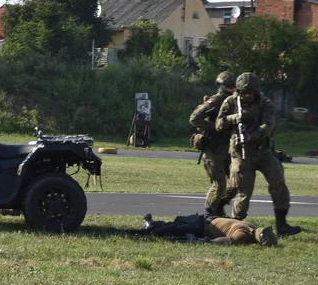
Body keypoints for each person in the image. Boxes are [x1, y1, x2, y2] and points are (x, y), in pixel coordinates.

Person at [215, 72, 302, 236]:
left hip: (263, 150)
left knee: (278, 182)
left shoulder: (265, 103)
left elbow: (268, 126)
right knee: (242, 190)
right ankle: (236, 225)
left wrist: (252, 135)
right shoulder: (231, 101)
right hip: (241, 152)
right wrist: (234, 118)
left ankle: (282, 224)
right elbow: (219, 124)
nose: (247, 96)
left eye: (251, 93)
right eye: (244, 93)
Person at [189, 71, 237, 218]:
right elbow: (194, 118)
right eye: (229, 86)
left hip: (229, 148)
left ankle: (219, 206)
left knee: (236, 184)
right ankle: (210, 213)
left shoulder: (236, 100)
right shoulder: (216, 100)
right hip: (213, 147)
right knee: (220, 183)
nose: (232, 89)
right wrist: (215, 126)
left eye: (233, 86)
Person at [117, 213, 278, 247]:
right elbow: (225, 241)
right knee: (164, 231)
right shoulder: (243, 234)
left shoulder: (252, 226)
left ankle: (151, 223)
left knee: (171, 227)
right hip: (201, 226)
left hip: (205, 219)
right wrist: (204, 242)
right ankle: (148, 227)